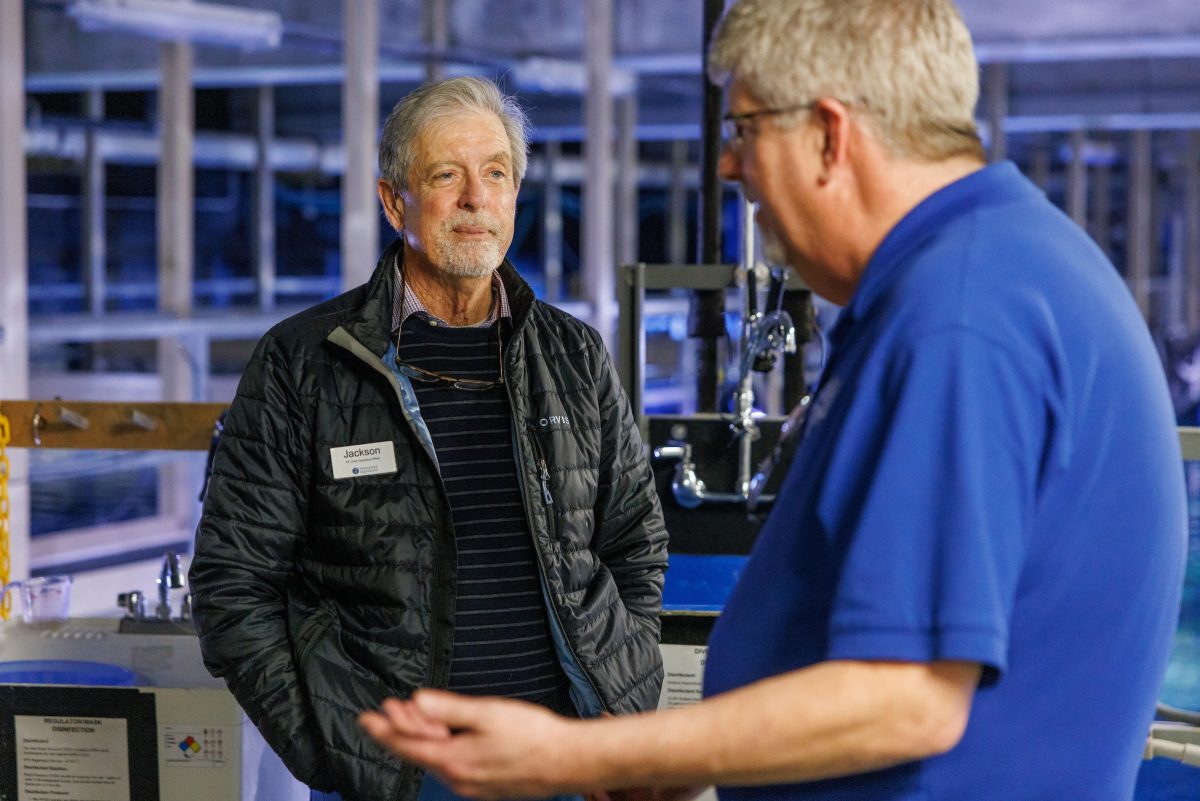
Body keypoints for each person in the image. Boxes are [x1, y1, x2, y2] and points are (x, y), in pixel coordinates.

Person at [357, 2, 1189, 800]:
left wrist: (582, 747)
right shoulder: (995, 268)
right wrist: (694, 752)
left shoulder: (960, 315)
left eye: (745, 128)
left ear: (829, 134)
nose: (727, 163)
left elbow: (908, 698)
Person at [189, 76, 669, 801]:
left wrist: (616, 707)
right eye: (447, 175)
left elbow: (635, 540)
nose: (477, 199)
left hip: (562, 761)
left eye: (497, 174)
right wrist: (335, 751)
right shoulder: (306, 362)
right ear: (394, 201)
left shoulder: (574, 356)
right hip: (399, 778)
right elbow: (234, 584)